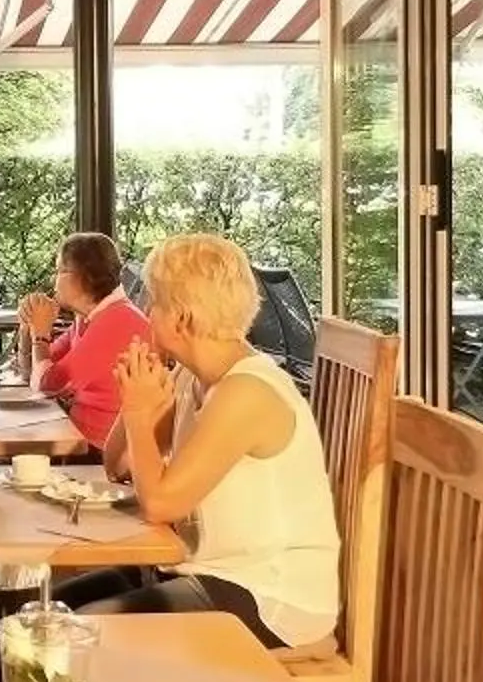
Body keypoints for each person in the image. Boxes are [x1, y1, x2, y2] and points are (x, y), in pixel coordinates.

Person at [53, 233, 340, 650]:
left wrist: (137, 411)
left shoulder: (248, 391)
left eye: (153, 302)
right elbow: (118, 467)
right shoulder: (192, 376)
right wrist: (136, 395)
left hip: (267, 595)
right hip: (198, 570)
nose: (145, 312)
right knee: (46, 607)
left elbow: (161, 504)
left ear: (182, 319)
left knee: (80, 634)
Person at [16, 231, 152, 449]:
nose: (54, 279)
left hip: (102, 453)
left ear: (84, 276)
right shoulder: (89, 318)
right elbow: (32, 373)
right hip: (75, 438)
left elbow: (47, 385)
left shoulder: (117, 321)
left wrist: (40, 334)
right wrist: (29, 325)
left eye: (60, 270)